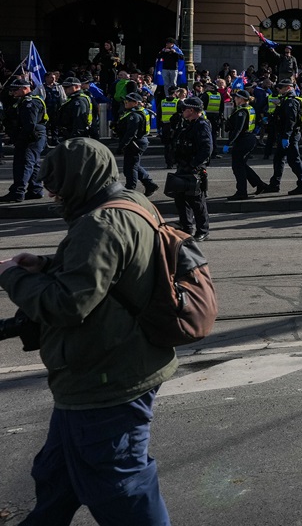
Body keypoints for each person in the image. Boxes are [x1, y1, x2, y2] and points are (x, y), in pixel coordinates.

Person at [0, 138, 178, 524]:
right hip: (97, 371)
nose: (51, 194)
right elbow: (109, 270)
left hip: (107, 378)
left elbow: (67, 304)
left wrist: (12, 276)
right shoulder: (130, 201)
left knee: (122, 486)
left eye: (56, 185)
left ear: (76, 181)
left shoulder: (99, 224)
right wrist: (46, 263)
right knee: (57, 476)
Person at [170, 96, 214, 241]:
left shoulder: (202, 124)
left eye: (184, 109)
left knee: (196, 200)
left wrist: (194, 164)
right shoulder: (189, 123)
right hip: (184, 165)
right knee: (180, 197)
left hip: (193, 167)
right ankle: (186, 226)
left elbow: (207, 148)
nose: (182, 111)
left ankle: (203, 230)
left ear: (191, 110)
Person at [3, 77, 49, 201]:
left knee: (23, 164)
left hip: (30, 137)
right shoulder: (23, 101)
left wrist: (20, 139)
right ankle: (35, 189)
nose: (13, 92)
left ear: (25, 88)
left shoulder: (30, 102)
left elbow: (29, 125)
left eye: (15, 89)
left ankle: (18, 191)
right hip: (34, 136)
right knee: (32, 164)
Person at [264, 79, 302, 195]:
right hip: (284, 134)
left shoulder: (291, 101)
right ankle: (275, 184)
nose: (279, 89)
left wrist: (286, 136)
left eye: (282, 87)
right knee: (278, 159)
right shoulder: (285, 100)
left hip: (290, 135)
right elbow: (280, 116)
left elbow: (291, 121)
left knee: (294, 160)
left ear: (288, 88)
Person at [225, 88, 267, 201]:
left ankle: (242, 192)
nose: (234, 99)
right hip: (248, 138)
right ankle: (260, 184)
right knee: (241, 165)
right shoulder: (249, 109)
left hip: (244, 140)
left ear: (242, 99)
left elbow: (238, 129)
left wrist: (229, 143)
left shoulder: (242, 111)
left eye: (236, 97)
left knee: (237, 167)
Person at [117, 91, 159, 196]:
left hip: (135, 142)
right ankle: (149, 184)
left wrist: (122, 145)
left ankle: (130, 189)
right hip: (137, 141)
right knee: (134, 165)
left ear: (136, 103)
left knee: (130, 168)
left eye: (128, 101)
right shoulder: (136, 112)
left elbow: (131, 133)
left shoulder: (134, 115)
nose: (125, 102)